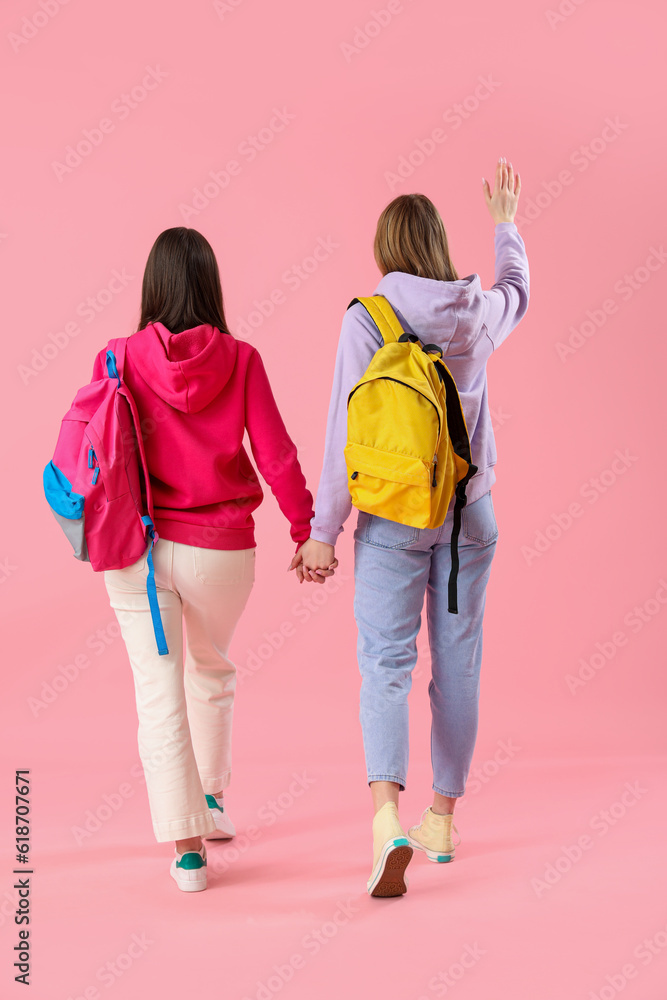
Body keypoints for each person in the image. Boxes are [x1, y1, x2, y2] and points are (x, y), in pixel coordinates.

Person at [291, 157, 529, 896]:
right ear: (436, 244)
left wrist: (322, 528)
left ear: (386, 249)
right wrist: (505, 223)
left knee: (385, 666)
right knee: (458, 663)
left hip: (393, 515)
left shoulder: (367, 317)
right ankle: (442, 820)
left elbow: (343, 432)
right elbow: (520, 290)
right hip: (468, 517)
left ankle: (385, 819)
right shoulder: (478, 310)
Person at [97, 227, 335, 892]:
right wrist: (305, 532)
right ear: (210, 285)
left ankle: (188, 851)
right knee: (211, 669)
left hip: (137, 551)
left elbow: (96, 452)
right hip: (221, 552)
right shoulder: (242, 359)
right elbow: (277, 453)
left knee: (159, 692)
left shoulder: (117, 358)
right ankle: (213, 802)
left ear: (153, 285)